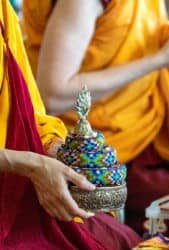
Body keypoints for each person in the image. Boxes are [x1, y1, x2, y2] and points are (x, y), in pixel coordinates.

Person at [22, 0, 169, 232]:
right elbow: (53, 95)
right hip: (97, 152)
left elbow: (123, 33)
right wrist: (163, 58)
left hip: (148, 126)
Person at [0, 0, 140, 249]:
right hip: (13, 183)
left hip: (22, 175)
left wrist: (55, 148)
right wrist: (32, 165)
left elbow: (26, 109)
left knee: (123, 238)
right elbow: (54, 93)